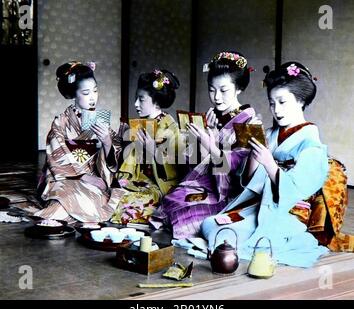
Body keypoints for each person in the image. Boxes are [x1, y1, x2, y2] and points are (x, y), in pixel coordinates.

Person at [201, 62, 330, 268]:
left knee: (228, 235)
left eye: (282, 102)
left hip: (288, 213)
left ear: (301, 101)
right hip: (259, 205)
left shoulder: (311, 145)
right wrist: (255, 154)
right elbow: (248, 183)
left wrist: (269, 163)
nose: (276, 110)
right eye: (272, 103)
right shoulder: (270, 134)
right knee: (210, 224)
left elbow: (297, 191)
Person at [152, 51, 258, 239]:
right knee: (172, 199)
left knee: (185, 211)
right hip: (206, 183)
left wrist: (212, 145)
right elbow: (193, 163)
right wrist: (202, 139)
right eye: (211, 89)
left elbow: (240, 170)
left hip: (230, 192)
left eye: (224, 90)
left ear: (239, 88)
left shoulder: (251, 122)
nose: (217, 97)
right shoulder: (211, 116)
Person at [35, 61, 124, 223]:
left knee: (99, 197)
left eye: (95, 91)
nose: (92, 97)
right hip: (65, 177)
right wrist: (83, 177)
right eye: (86, 92)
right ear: (74, 94)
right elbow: (56, 160)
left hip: (94, 176)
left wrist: (107, 142)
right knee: (63, 201)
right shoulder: (61, 122)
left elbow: (114, 157)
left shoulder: (100, 120)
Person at [110, 69, 181, 225]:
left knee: (129, 210)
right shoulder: (139, 125)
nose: (136, 104)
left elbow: (175, 171)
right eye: (136, 98)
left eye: (141, 99)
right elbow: (129, 162)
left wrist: (153, 151)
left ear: (156, 102)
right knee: (108, 199)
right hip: (137, 180)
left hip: (158, 186)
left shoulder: (172, 129)